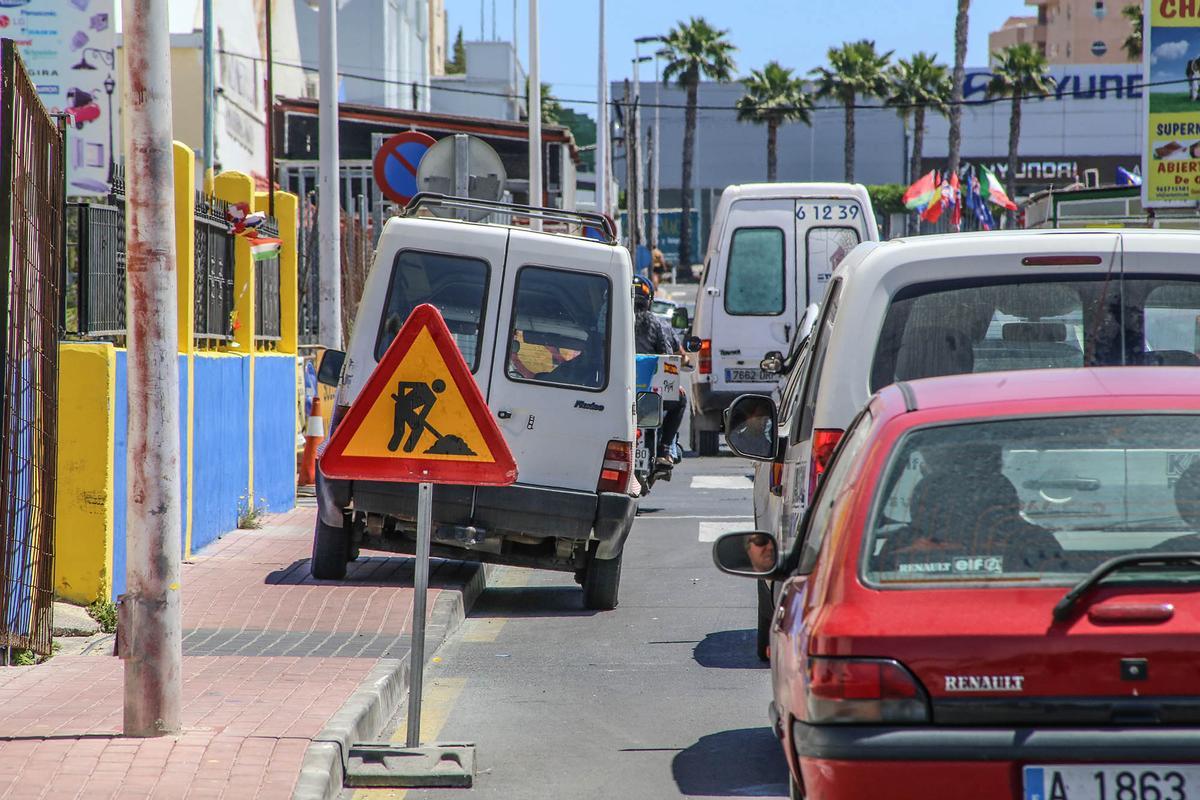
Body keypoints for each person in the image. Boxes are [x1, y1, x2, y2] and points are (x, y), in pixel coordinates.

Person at [632, 276, 686, 466]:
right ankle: (664, 449)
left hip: (617, 394)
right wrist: (675, 385)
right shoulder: (656, 323)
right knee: (680, 401)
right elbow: (666, 357)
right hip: (649, 397)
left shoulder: (610, 320)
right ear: (649, 301)